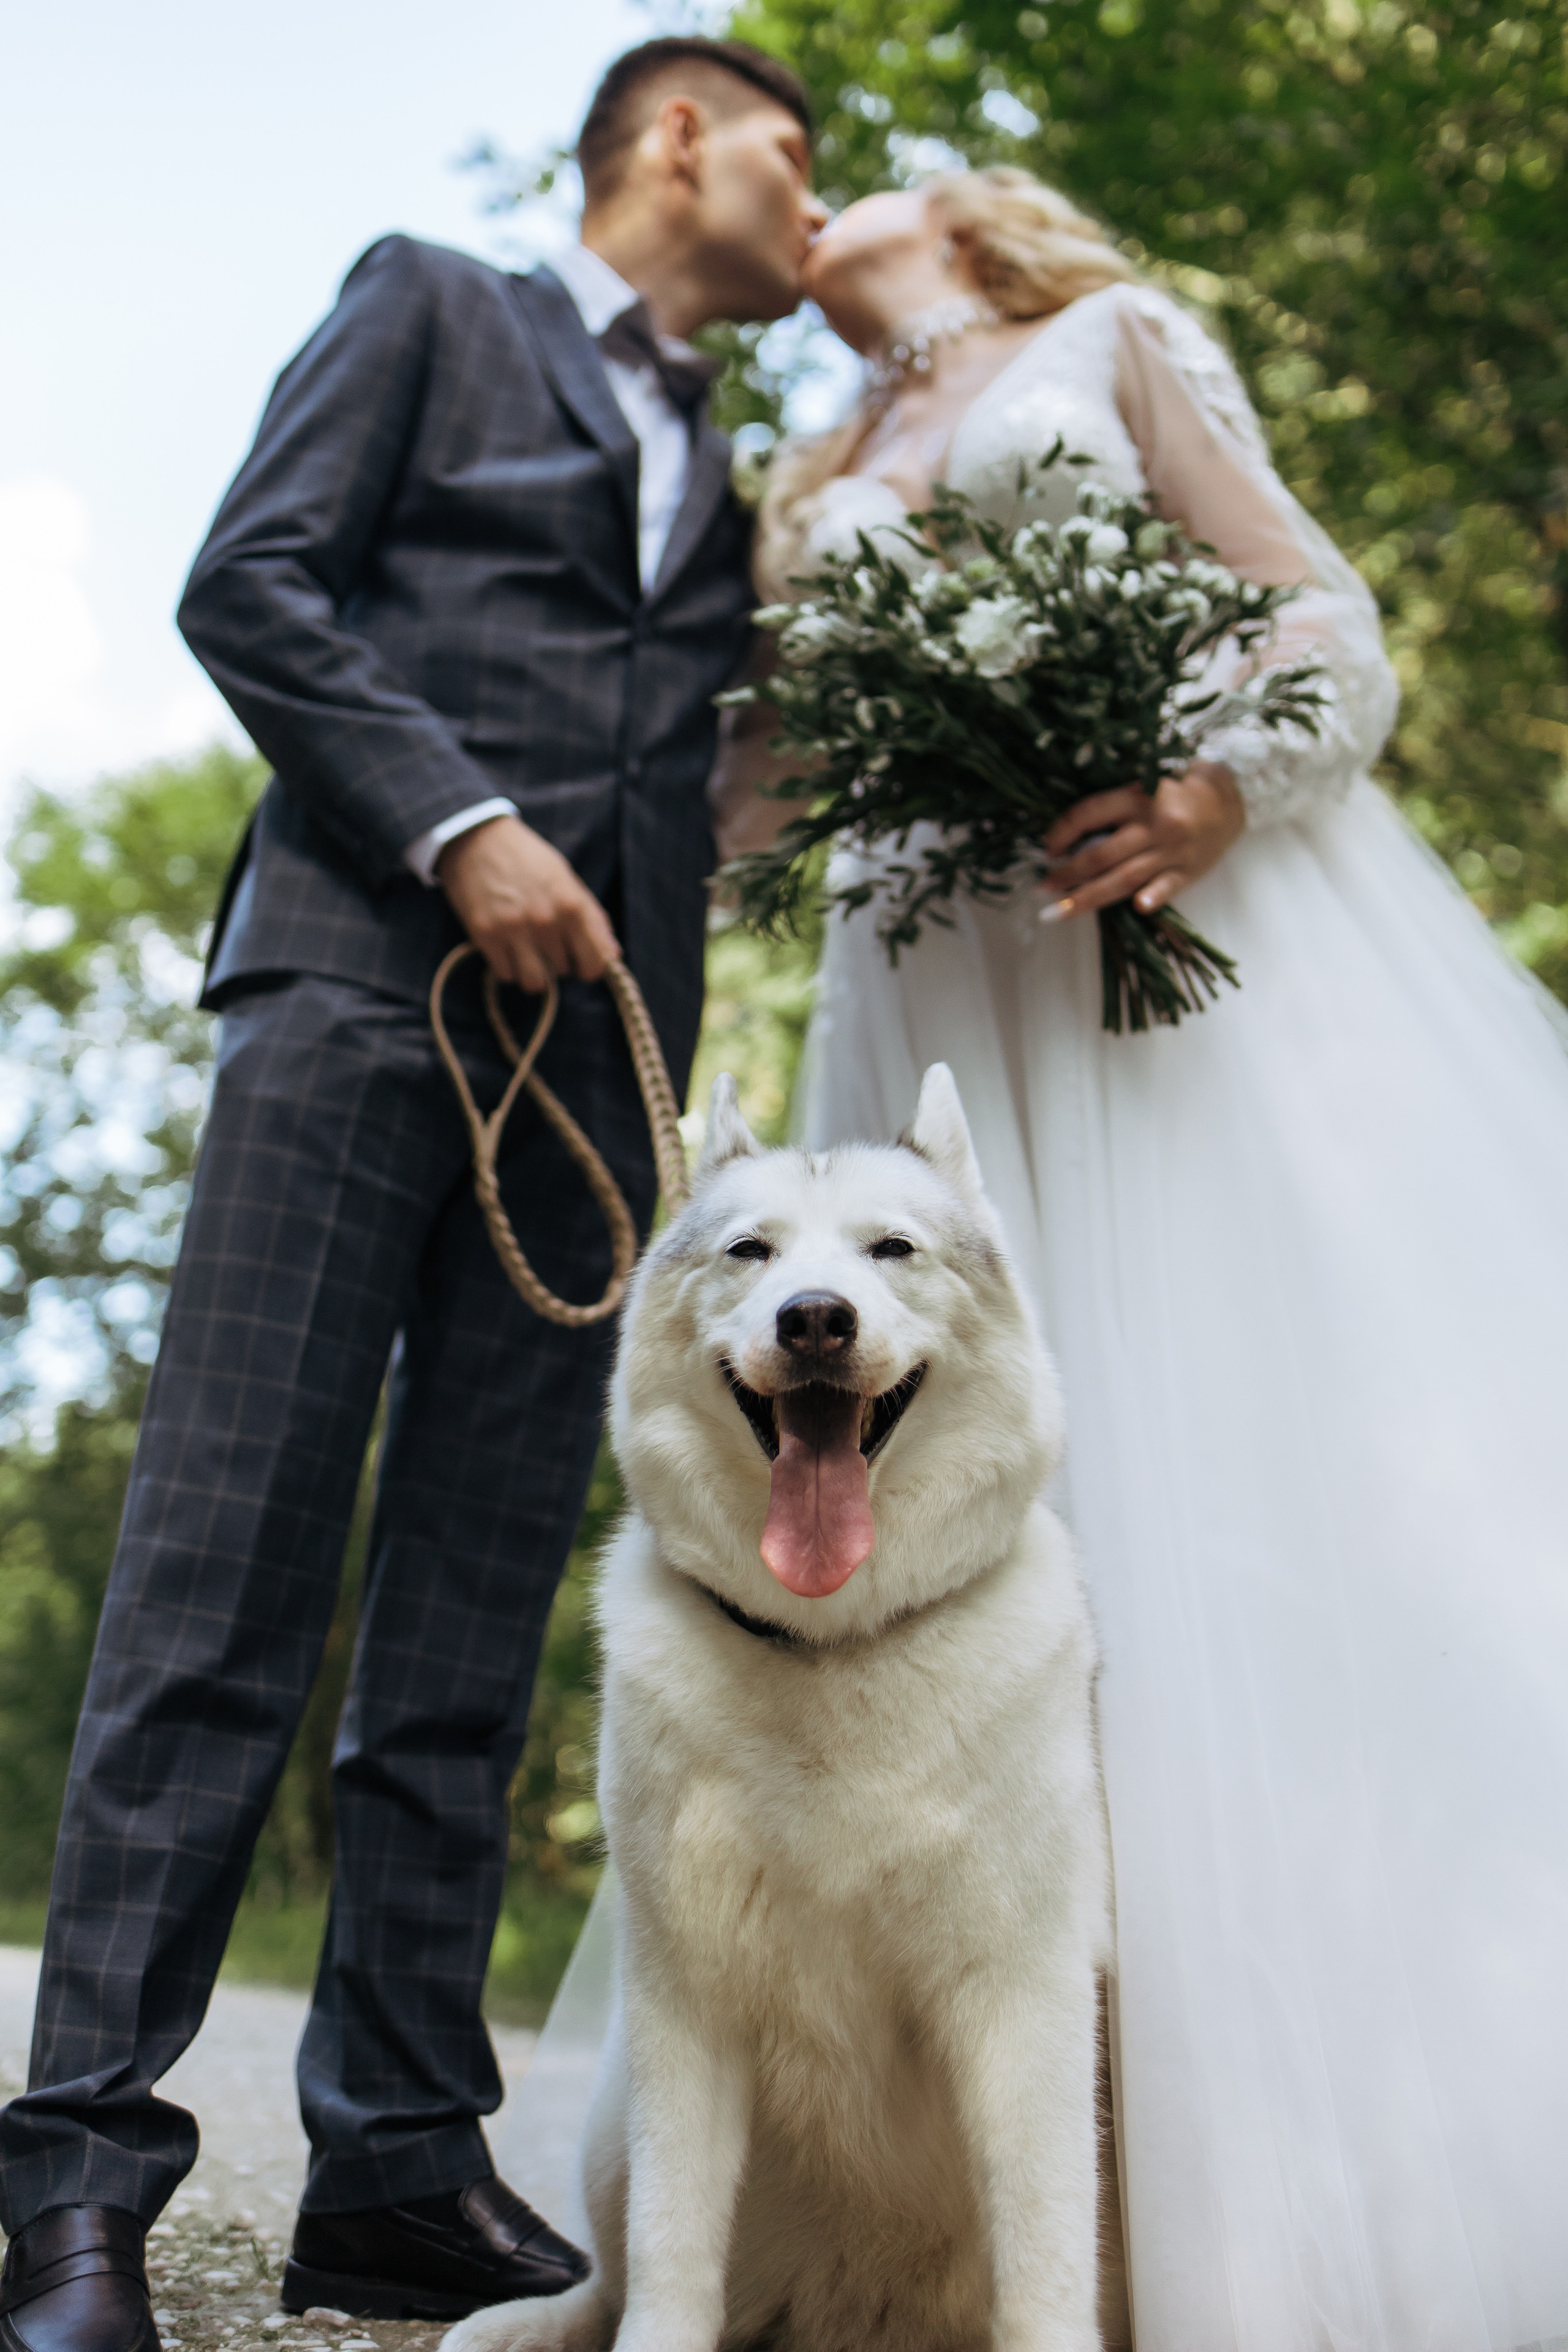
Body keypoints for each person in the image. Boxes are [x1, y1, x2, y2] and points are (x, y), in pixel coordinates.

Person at [0, 37, 824, 2352]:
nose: (813, 193)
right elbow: (248, 583)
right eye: (795, 147)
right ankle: (74, 2179)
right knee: (224, 1562)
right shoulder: (434, 303)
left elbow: (725, 771)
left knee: (465, 1627)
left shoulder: (736, 468)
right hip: (366, 997)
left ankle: (392, 2162)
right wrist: (461, 826)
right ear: (677, 134)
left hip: (599, 1092)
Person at [713, 167, 1568, 2349]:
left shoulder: (1112, 346)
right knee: (961, 1476)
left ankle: (1267, 2177)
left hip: (1146, 927)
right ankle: (928, 2193)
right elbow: (763, 774)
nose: (825, 190)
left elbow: (1319, 608)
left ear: (976, 216)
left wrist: (1202, 793)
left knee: (1219, 1465)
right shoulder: (805, 472)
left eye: (866, 166)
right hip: (930, 974)